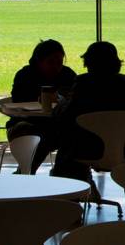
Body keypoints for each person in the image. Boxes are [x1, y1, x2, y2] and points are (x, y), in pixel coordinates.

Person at [50, 41, 125, 181]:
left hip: (86, 149)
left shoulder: (83, 83)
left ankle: (72, 192)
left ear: (88, 62)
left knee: (68, 141)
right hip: (122, 148)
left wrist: (61, 103)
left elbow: (67, 115)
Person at [9, 39, 76, 168]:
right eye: (51, 62)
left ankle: (26, 170)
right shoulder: (25, 76)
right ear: (39, 61)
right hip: (26, 124)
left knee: (47, 135)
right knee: (46, 134)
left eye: (59, 62)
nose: (56, 67)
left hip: (55, 125)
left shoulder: (67, 75)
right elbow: (18, 100)